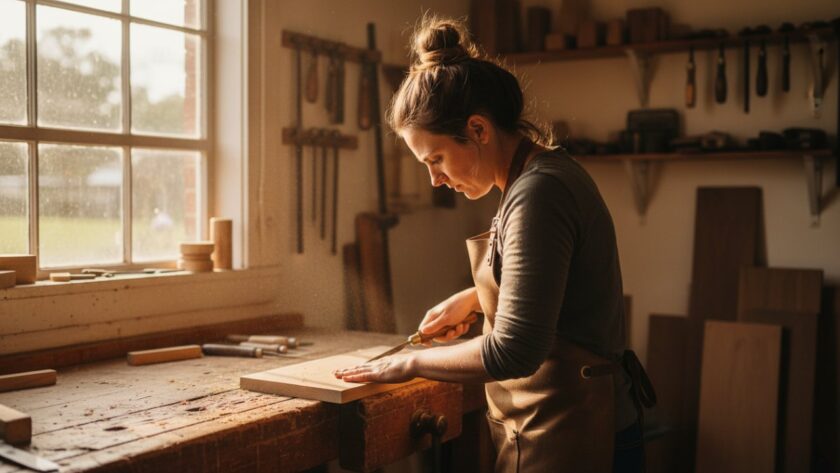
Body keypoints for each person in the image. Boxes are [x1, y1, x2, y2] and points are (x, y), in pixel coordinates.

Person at [334, 15, 655, 473]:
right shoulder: (537, 178)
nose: (435, 179)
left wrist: (410, 364)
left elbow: (515, 350)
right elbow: (557, 286)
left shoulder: (539, 192)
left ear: (479, 130)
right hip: (557, 433)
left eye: (437, 158)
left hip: (582, 441)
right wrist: (473, 300)